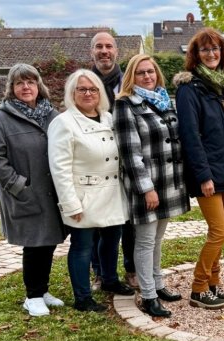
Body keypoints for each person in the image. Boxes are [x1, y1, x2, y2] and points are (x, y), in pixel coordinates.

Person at [0, 63, 67, 317]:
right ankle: (32, 296)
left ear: (38, 85)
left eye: (30, 81)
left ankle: (42, 290)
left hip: (52, 193)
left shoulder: (52, 115)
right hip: (25, 193)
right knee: (34, 244)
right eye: (20, 83)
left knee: (49, 242)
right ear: (12, 88)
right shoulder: (1, 119)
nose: (26, 87)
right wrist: (19, 185)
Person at [114, 54, 191, 317]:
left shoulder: (164, 101)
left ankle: (158, 285)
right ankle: (147, 295)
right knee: (145, 241)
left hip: (168, 181)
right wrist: (146, 188)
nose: (147, 77)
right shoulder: (126, 105)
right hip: (146, 185)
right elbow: (130, 153)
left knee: (157, 239)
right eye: (140, 73)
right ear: (131, 77)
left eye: (151, 72)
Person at [48, 69, 130, 312]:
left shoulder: (108, 118)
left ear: (100, 93)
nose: (88, 93)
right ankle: (82, 297)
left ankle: (109, 279)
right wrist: (70, 203)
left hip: (112, 193)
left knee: (112, 239)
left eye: (93, 89)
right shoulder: (63, 123)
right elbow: (59, 168)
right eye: (81, 89)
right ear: (71, 94)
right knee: (83, 245)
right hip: (84, 194)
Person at [174, 28, 224, 310]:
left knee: (219, 231)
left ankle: (214, 284)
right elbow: (191, 136)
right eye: (205, 49)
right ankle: (199, 287)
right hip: (208, 175)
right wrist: (203, 176)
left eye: (216, 49)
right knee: (219, 232)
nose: (211, 53)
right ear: (195, 55)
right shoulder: (189, 89)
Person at [89, 31, 137, 293]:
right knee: (98, 224)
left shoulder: (127, 83)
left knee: (129, 222)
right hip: (97, 164)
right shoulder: (83, 83)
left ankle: (131, 270)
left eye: (108, 46)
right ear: (92, 52)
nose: (104, 51)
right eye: (99, 47)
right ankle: (100, 274)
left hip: (126, 160)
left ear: (116, 51)